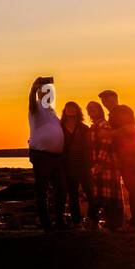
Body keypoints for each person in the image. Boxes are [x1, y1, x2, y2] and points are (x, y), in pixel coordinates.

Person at [101, 89, 135, 227]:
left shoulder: (122, 110)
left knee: (134, 188)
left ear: (115, 98)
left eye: (107, 99)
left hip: (132, 154)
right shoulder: (114, 113)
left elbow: (131, 128)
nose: (104, 102)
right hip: (126, 155)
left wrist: (109, 134)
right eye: (103, 100)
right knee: (134, 187)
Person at [27, 76, 65, 230]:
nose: (47, 94)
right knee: (41, 190)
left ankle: (59, 220)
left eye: (49, 92)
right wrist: (34, 87)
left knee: (61, 189)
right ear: (39, 94)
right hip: (41, 155)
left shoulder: (52, 112)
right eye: (43, 92)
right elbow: (31, 99)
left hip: (56, 157)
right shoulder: (35, 108)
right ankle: (45, 222)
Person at [86, 100, 121, 230]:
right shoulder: (94, 125)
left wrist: (100, 162)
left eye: (94, 108)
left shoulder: (103, 124)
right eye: (89, 109)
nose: (91, 110)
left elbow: (106, 143)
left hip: (107, 164)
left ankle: (114, 223)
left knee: (109, 195)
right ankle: (101, 222)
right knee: (100, 194)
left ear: (99, 110)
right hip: (98, 164)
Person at [60, 101, 93, 228]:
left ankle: (93, 219)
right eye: (68, 107)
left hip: (84, 165)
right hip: (67, 166)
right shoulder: (60, 127)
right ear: (64, 110)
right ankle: (76, 222)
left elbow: (90, 147)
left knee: (90, 193)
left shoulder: (84, 128)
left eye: (73, 107)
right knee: (72, 194)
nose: (70, 109)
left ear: (77, 110)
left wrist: (91, 164)